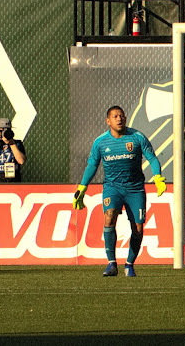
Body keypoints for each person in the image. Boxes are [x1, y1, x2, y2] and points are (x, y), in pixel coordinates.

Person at [72, 106, 167, 277]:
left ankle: (129, 264)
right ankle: (111, 264)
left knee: (137, 228)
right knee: (109, 216)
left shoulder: (137, 137)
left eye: (121, 116)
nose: (119, 119)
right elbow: (92, 165)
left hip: (135, 188)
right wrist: (82, 187)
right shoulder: (100, 142)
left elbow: (152, 158)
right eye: (115, 116)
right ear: (108, 121)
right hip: (112, 187)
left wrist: (158, 177)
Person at [0, 118, 26, 182]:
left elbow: (21, 161)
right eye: (1, 131)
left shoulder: (17, 143)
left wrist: (11, 143)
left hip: (13, 179)